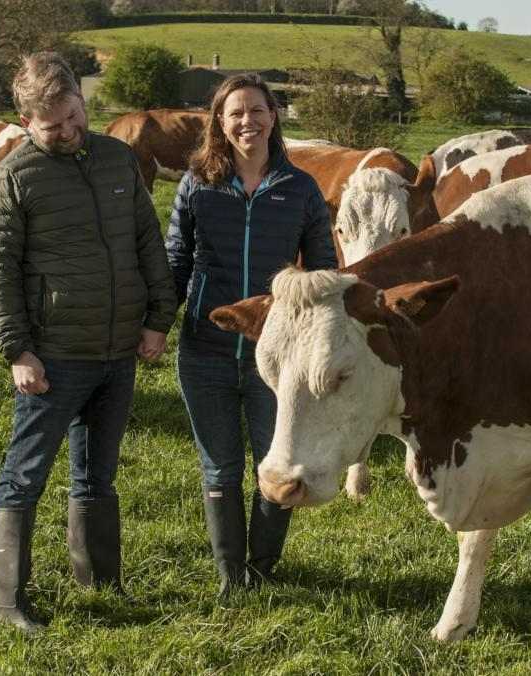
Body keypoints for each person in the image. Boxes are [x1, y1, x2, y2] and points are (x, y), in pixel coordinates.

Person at [0, 52, 176, 632]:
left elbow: (147, 240)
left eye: (72, 118)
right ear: (26, 123)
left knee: (98, 471)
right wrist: (17, 350)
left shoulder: (118, 159)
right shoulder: (12, 178)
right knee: (25, 472)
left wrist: (158, 319)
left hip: (118, 350)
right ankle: (11, 601)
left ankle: (100, 581)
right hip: (53, 355)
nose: (66, 133)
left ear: (81, 103)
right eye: (51, 126)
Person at [166, 74, 337, 596]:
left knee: (277, 462)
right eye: (236, 113)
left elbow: (323, 271)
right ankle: (229, 578)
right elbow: (176, 260)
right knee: (220, 465)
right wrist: (154, 325)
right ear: (220, 123)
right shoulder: (197, 182)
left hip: (279, 359)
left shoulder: (301, 188)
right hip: (206, 348)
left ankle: (262, 571)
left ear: (273, 116)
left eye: (257, 111)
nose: (248, 121)